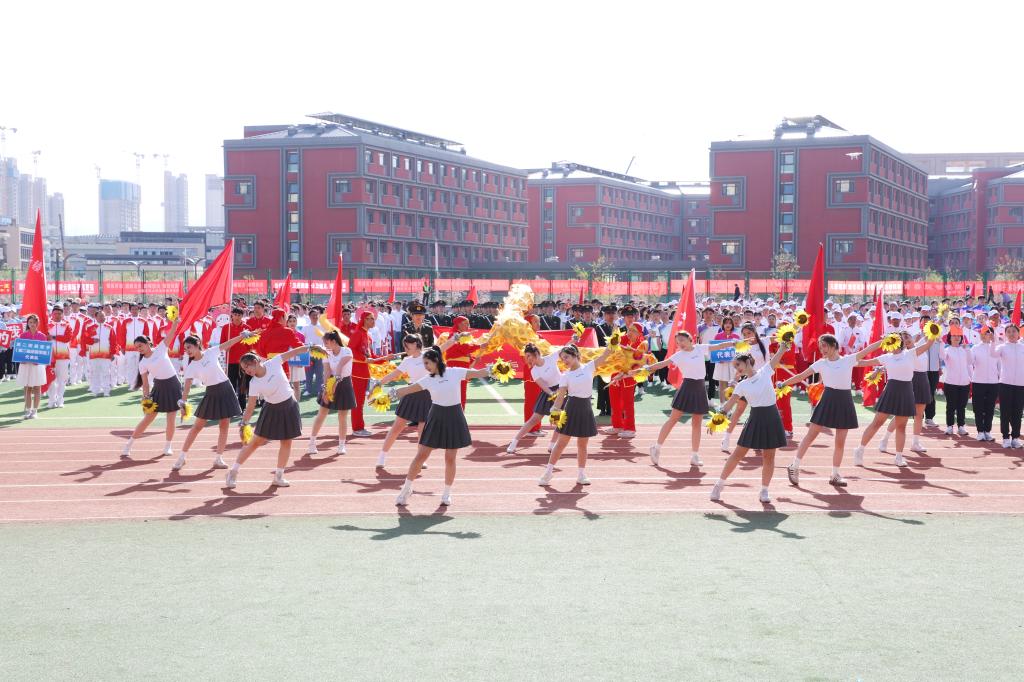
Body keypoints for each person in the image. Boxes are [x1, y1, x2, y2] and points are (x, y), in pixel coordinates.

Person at [392, 346, 492, 507]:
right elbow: (407, 390)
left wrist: (494, 369)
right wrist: (388, 394)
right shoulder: (427, 379)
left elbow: (479, 373)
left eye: (427, 363)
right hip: (436, 416)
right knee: (421, 455)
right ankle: (406, 489)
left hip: (454, 416)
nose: (425, 367)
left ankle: (446, 493)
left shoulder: (455, 372)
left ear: (436, 360)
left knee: (450, 458)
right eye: (424, 363)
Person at [781, 335, 884, 487]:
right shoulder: (821, 363)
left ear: (834, 345)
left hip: (845, 400)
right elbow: (801, 376)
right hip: (827, 399)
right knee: (811, 435)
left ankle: (835, 474)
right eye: (820, 347)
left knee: (840, 441)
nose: (821, 349)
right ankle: (794, 466)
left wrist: (884, 340)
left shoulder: (848, 360)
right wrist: (784, 383)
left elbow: (868, 350)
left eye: (824, 346)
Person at [226, 343, 325, 489]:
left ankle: (278, 476)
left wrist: (313, 347)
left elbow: (295, 351)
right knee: (255, 442)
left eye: (247, 367)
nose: (247, 371)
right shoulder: (254, 383)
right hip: (271, 410)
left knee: (286, 442)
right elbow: (250, 406)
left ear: (256, 361)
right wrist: (244, 423)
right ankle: (233, 471)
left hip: (289, 406)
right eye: (244, 369)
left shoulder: (274, 362)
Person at [709, 341, 793, 504]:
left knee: (769, 456)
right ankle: (719, 484)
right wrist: (716, 419)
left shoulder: (765, 371)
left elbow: (778, 355)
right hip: (755, 418)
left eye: (738, 365)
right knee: (738, 454)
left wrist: (783, 346)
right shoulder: (741, 385)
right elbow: (729, 404)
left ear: (747, 362)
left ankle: (764, 490)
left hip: (772, 417)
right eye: (735, 366)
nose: (737, 369)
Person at [638, 331, 738, 467]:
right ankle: (656, 447)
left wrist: (733, 343)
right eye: (677, 342)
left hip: (700, 388)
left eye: (682, 340)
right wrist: (647, 368)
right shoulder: (679, 355)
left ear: (690, 339)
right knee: (673, 419)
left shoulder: (700, 348)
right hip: (687, 387)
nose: (680, 344)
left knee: (697, 423)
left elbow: (718, 346)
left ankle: (695, 455)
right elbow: (663, 363)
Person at [853, 332, 937, 467]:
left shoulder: (910, 353)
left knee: (901, 426)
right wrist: (845, 361)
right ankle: (860, 449)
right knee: (877, 422)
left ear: (899, 342)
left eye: (893, 340)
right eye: (889, 341)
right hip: (891, 390)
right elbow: (863, 362)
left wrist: (933, 330)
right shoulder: (886, 357)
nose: (891, 343)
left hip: (906, 391)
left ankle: (898, 457)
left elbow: (928, 344)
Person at [172, 328, 250, 471]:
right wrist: (183, 403)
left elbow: (228, 344)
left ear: (198, 345)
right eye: (185, 349)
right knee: (197, 426)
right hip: (211, 393)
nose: (187, 351)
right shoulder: (191, 366)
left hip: (226, 389)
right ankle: (182, 457)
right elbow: (187, 387)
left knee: (224, 426)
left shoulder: (211, 352)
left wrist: (241, 336)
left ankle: (218, 458)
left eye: (189, 347)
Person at [538, 342, 615, 487]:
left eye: (566, 357)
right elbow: (560, 397)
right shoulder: (565, 376)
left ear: (575, 356)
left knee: (582, 445)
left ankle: (581, 475)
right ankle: (548, 472)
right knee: (561, 443)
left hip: (586, 408)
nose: (564, 361)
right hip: (571, 408)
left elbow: (605, 354)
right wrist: (555, 413)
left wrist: (613, 341)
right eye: (562, 359)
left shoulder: (589, 367)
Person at [121, 317, 183, 459]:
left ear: (148, 343)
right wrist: (146, 398)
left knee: (171, 419)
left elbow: (171, 334)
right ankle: (128, 445)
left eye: (140, 345)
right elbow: (145, 384)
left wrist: (175, 322)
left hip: (173, 386)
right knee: (148, 418)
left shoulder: (161, 348)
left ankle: (168, 446)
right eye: (137, 347)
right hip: (159, 387)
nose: (139, 349)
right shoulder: (142, 363)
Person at [371, 333, 432, 468]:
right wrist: (379, 383)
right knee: (397, 427)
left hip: (426, 395)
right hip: (410, 394)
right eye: (404, 346)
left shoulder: (428, 357)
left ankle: (421, 458)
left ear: (416, 344)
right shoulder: (407, 361)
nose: (405, 348)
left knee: (422, 430)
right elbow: (394, 374)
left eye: (407, 345)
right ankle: (382, 457)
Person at [507, 341, 565, 455]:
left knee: (558, 420)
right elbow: (543, 386)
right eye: (526, 357)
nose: (527, 359)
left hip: (561, 390)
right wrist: (553, 394)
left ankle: (552, 445)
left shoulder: (550, 358)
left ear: (537, 353)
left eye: (529, 356)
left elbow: (565, 349)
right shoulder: (534, 371)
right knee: (534, 419)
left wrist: (574, 339)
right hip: (549, 393)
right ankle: (514, 442)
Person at [306, 330, 356, 457]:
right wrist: (325, 389)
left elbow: (339, 368)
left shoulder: (347, 351)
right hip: (330, 382)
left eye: (326, 342)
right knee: (322, 413)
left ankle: (341, 445)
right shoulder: (327, 354)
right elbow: (327, 372)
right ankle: (311, 443)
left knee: (342, 416)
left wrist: (334, 384)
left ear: (334, 341)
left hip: (344, 384)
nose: (325, 345)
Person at [989, 324, 1024, 449]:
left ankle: (1015, 438)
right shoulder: (1002, 347)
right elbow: (993, 354)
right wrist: (992, 341)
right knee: (1005, 412)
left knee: (1017, 412)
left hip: (1020, 385)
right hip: (1005, 384)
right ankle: (1005, 437)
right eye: (1008, 331)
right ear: (1005, 334)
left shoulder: (1022, 347)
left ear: (1018, 333)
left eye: (1014, 331)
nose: (1011, 334)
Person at [940, 327, 972, 437]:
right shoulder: (947, 350)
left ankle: (961, 426)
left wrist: (967, 349)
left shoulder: (964, 349)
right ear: (950, 337)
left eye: (958, 336)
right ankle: (949, 426)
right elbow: (942, 356)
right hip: (950, 382)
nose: (956, 338)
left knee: (961, 406)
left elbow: (970, 362)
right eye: (954, 336)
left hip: (964, 383)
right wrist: (941, 343)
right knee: (951, 406)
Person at [16, 314, 48, 419]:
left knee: (37, 387)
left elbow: (45, 353)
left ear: (37, 323)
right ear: (27, 324)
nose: (32, 324)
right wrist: (22, 359)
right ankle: (28, 410)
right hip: (26, 365)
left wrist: (39, 360)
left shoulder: (42, 336)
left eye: (34, 322)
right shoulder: (23, 335)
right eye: (30, 322)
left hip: (37, 366)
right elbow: (19, 351)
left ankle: (35, 411)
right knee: (27, 388)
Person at [970, 325, 999, 441]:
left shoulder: (996, 348)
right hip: (978, 381)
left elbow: (1000, 366)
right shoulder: (975, 348)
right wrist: (966, 350)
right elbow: (970, 362)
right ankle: (980, 431)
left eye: (987, 333)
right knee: (978, 407)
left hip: (993, 382)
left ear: (992, 334)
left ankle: (987, 431)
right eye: (983, 333)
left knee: (990, 408)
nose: (985, 335)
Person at [712, 317, 739, 399]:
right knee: (722, 384)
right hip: (721, 363)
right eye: (726, 323)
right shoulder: (718, 336)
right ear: (723, 325)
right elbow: (714, 349)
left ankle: (729, 404)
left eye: (730, 323)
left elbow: (739, 351)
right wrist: (718, 359)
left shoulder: (736, 336)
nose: (728, 325)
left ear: (732, 325)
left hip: (732, 363)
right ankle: (722, 404)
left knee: (732, 384)